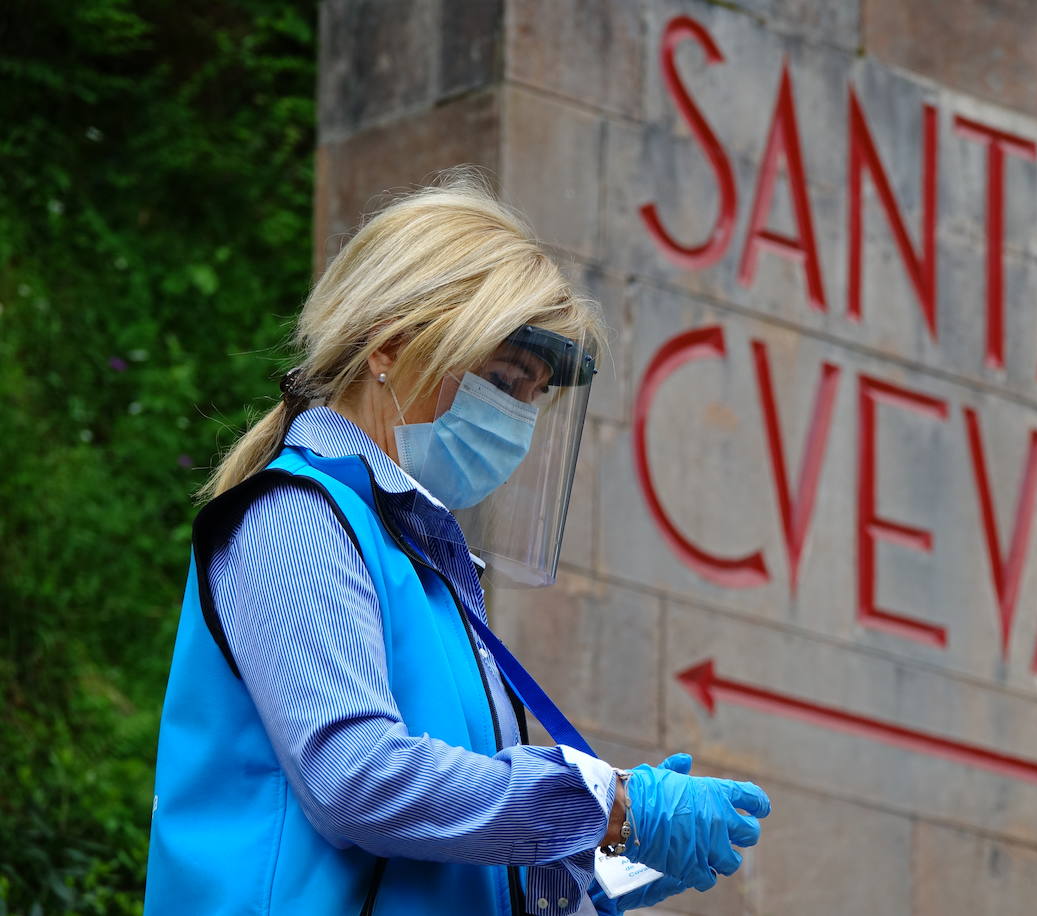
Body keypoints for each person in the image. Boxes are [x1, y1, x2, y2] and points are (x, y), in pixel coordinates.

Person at [144, 174, 771, 916]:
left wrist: (601, 871)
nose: (514, 418)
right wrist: (612, 805)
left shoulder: (416, 561)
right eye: (503, 379)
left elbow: (440, 853)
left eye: (531, 396)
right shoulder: (297, 518)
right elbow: (359, 782)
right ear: (391, 346)